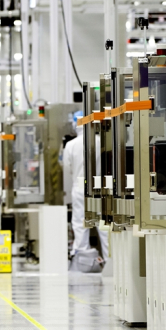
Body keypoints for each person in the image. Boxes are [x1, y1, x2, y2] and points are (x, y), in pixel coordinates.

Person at [63, 111, 109, 271]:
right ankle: (110, 261)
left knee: (80, 223)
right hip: (99, 186)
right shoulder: (100, 142)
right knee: (103, 224)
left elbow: (67, 168)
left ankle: (83, 261)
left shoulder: (71, 145)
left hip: (79, 186)